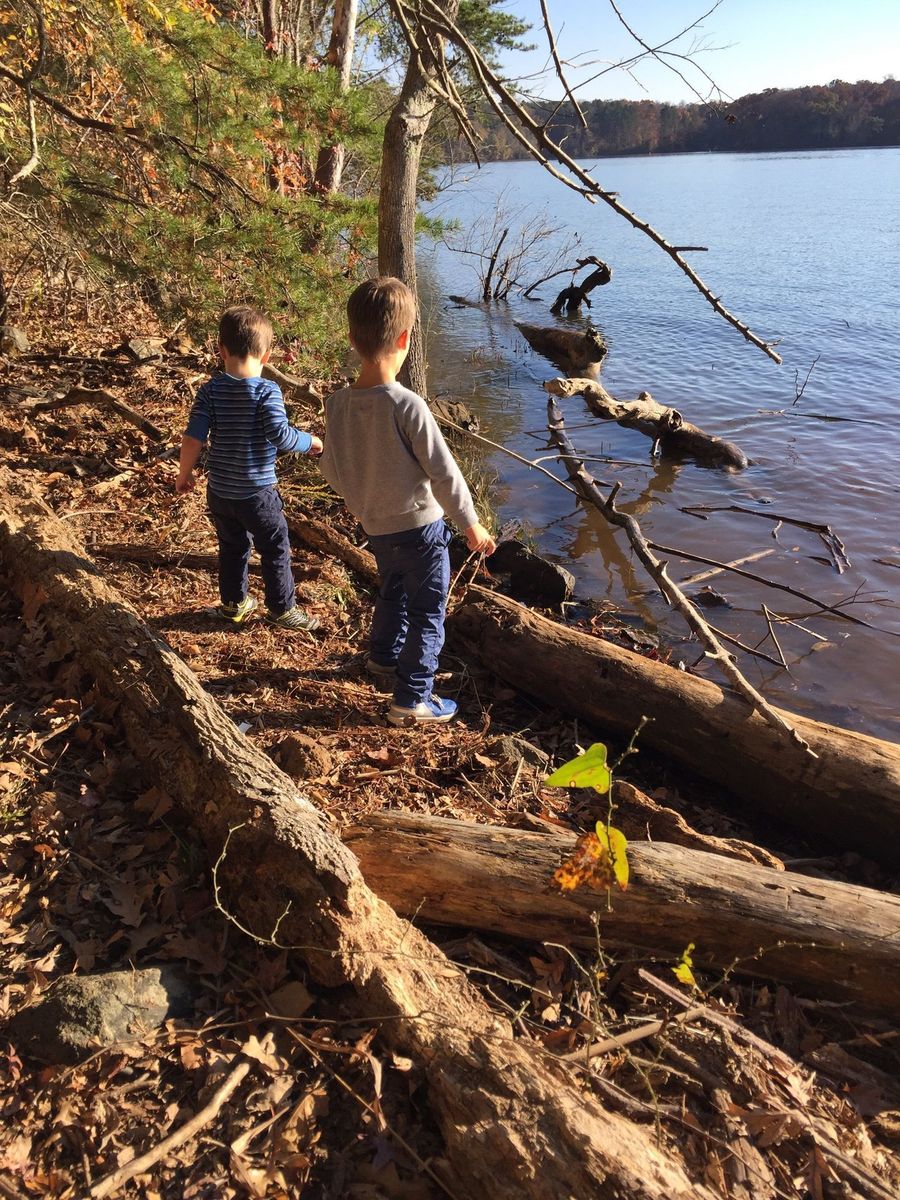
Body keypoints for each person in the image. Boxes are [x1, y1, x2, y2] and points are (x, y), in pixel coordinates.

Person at [319, 276, 496, 725]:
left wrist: (362, 502)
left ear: (352, 337)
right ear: (404, 339)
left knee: (392, 592)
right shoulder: (407, 404)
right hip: (421, 532)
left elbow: (330, 469)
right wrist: (471, 523)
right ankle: (411, 699)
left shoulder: (337, 404)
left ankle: (382, 658)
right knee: (427, 613)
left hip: (376, 528)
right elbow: (444, 472)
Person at [176, 305, 322, 632]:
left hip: (220, 492)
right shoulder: (267, 390)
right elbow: (280, 435)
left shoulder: (210, 391)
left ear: (221, 349)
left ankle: (233, 604)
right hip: (257, 494)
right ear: (266, 356)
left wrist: (184, 474)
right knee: (275, 548)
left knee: (232, 547)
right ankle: (282, 609)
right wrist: (310, 441)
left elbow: (193, 438)